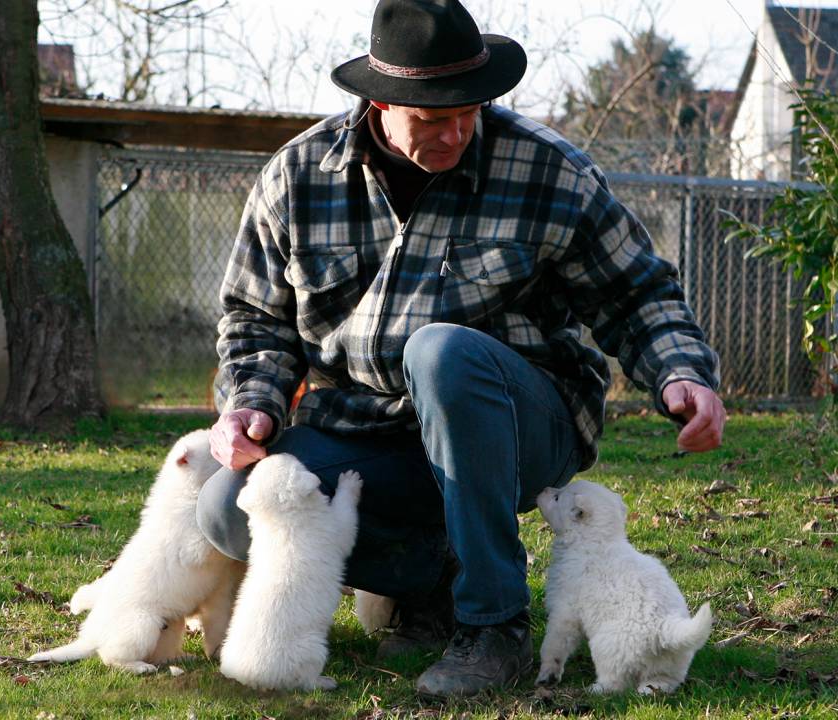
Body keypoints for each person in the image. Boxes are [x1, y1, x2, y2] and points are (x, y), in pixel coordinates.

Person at [196, 0, 726, 697]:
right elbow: (256, 319)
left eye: (468, 113)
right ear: (380, 102)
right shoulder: (296, 178)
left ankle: (494, 625)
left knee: (441, 353)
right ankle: (434, 572)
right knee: (230, 504)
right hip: (369, 430)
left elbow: (637, 292)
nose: (455, 133)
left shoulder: (548, 170)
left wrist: (680, 373)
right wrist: (251, 403)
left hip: (516, 423)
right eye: (431, 119)